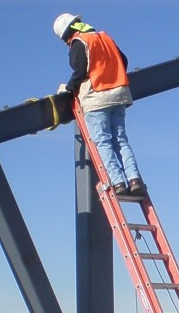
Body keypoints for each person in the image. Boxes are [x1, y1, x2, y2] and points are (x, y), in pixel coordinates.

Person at [52, 13, 145, 196]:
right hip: (119, 94)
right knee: (120, 139)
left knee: (103, 141)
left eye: (64, 39)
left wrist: (68, 89)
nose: (65, 43)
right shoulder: (105, 37)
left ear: (68, 32)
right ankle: (134, 179)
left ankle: (118, 182)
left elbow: (79, 71)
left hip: (96, 97)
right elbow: (123, 61)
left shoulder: (79, 42)